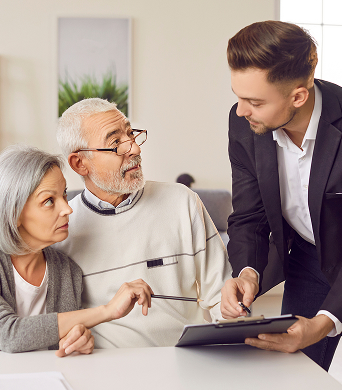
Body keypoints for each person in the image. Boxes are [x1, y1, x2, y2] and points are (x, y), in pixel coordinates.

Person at [55, 98, 232, 348]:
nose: (135, 149)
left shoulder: (183, 201)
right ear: (79, 163)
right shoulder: (62, 227)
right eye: (115, 142)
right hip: (103, 370)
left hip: (183, 361)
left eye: (131, 134)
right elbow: (55, 321)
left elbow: (221, 296)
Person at [220, 20, 342, 371]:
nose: (242, 111)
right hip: (307, 258)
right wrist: (246, 272)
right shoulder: (243, 123)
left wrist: (323, 324)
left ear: (298, 96)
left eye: (254, 101)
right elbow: (249, 215)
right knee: (292, 372)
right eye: (238, 96)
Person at [0, 145, 152, 355]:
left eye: (64, 195)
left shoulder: (67, 271)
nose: (67, 209)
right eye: (49, 201)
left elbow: (62, 340)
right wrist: (108, 311)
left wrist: (79, 340)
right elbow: (8, 334)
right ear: (14, 212)